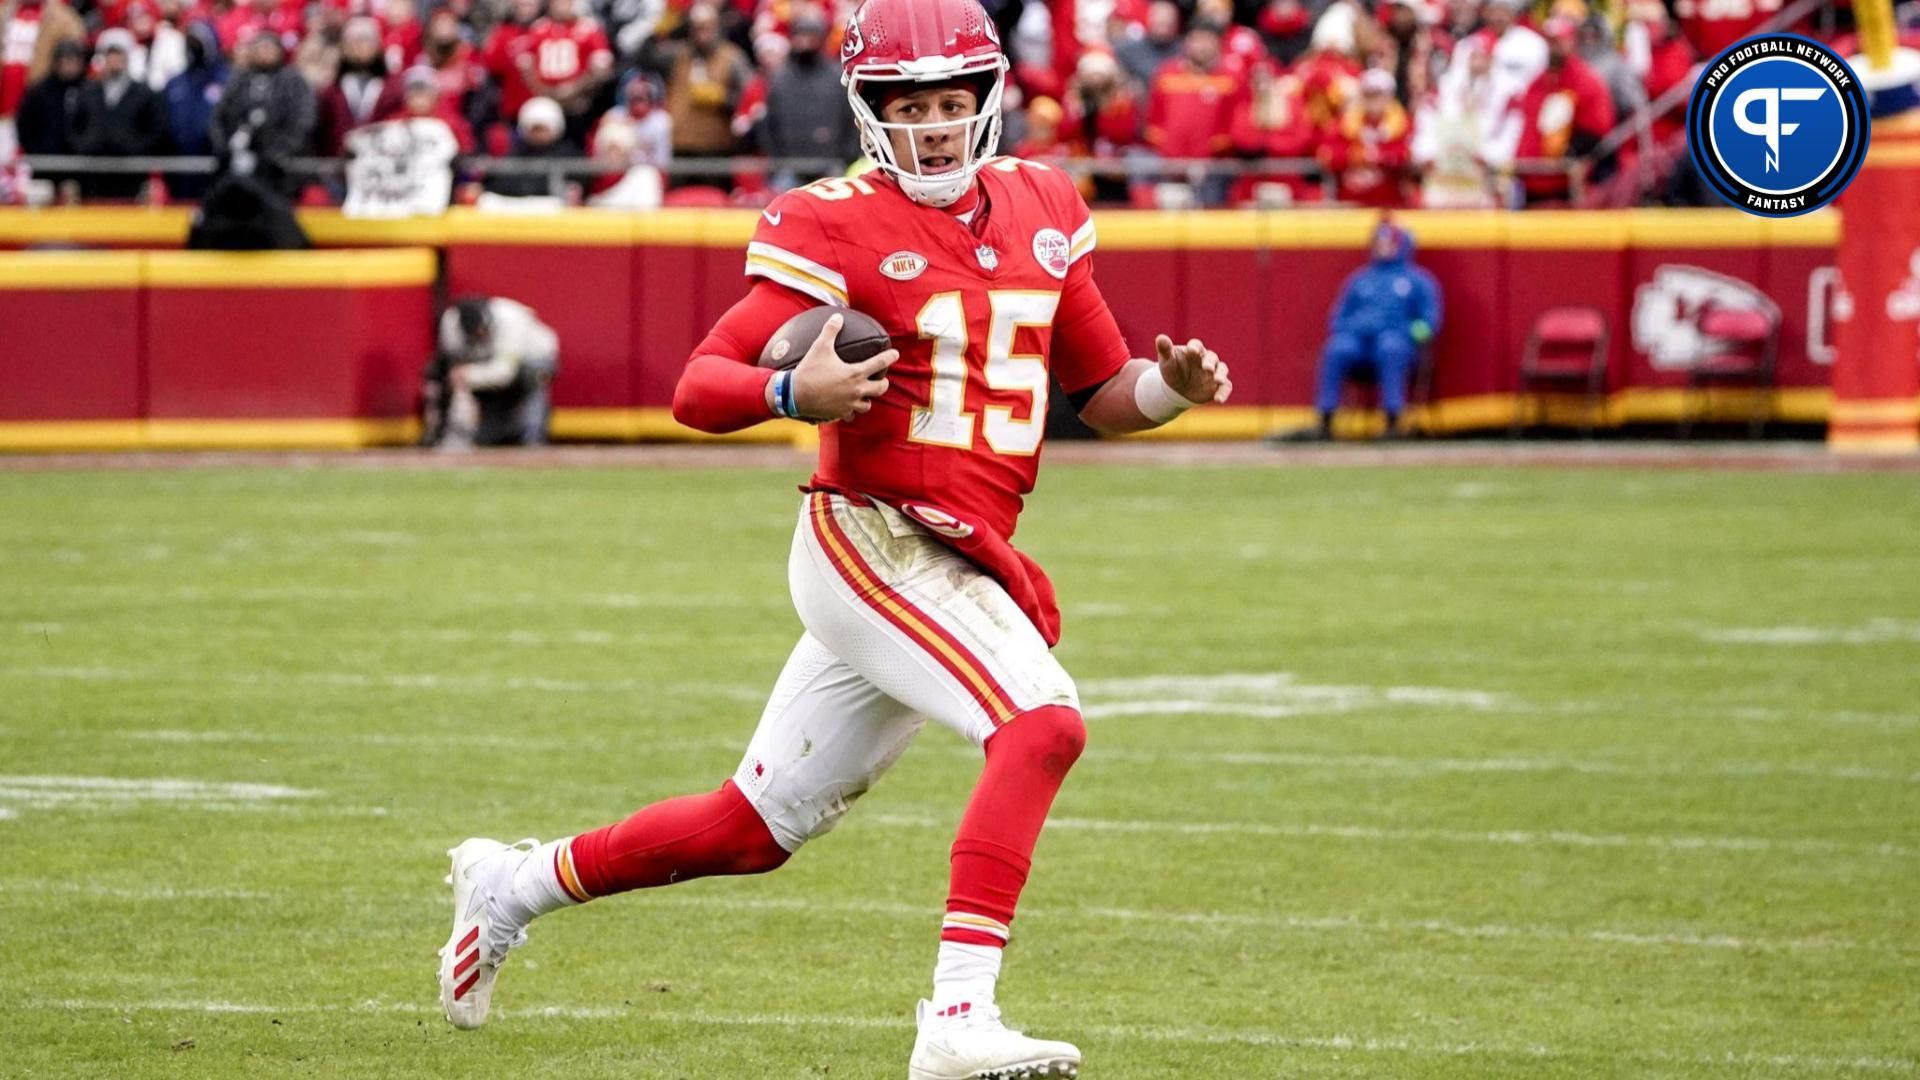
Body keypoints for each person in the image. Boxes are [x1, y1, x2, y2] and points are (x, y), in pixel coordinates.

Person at [434, 3, 1233, 1080]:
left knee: (750, 829)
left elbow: (1101, 388)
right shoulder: (831, 221)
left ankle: (510, 887)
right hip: (872, 534)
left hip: (960, 551)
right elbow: (696, 388)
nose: (941, 127)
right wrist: (787, 388)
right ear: (870, 112)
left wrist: (1170, 393)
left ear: (988, 100)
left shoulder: (1045, 203)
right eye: (915, 108)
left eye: (956, 103)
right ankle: (957, 1017)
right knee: (1041, 722)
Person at [1284, 219, 1440, 440]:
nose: (1383, 247)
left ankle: (1393, 421)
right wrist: (1355, 330)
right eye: (1379, 242)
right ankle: (1326, 421)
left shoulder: (1419, 281)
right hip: (1360, 344)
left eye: (1388, 242)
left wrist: (1408, 332)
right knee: (1337, 349)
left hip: (1397, 345)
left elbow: (1429, 322)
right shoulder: (1360, 280)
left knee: (1390, 347)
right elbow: (1338, 318)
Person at [420, 295, 559, 448]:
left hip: (531, 359)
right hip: (487, 369)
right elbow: (449, 365)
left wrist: (468, 374)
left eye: (482, 333)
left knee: (531, 377)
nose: (479, 337)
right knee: (486, 438)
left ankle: (533, 438)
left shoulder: (511, 320)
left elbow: (505, 373)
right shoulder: (450, 323)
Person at [210, 29, 318, 197]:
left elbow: (303, 120)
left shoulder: (294, 81)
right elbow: (219, 117)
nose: (265, 53)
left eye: (269, 48)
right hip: (237, 162)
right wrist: (224, 148)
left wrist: (280, 151)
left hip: (280, 169)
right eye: (260, 48)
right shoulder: (238, 80)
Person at [72, 28, 172, 200]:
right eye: (111, 54)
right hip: (94, 172)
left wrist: (136, 148)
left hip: (131, 173)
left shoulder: (144, 93)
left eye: (120, 54)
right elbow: (74, 124)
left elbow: (157, 128)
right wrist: (87, 145)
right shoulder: (88, 91)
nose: (115, 59)